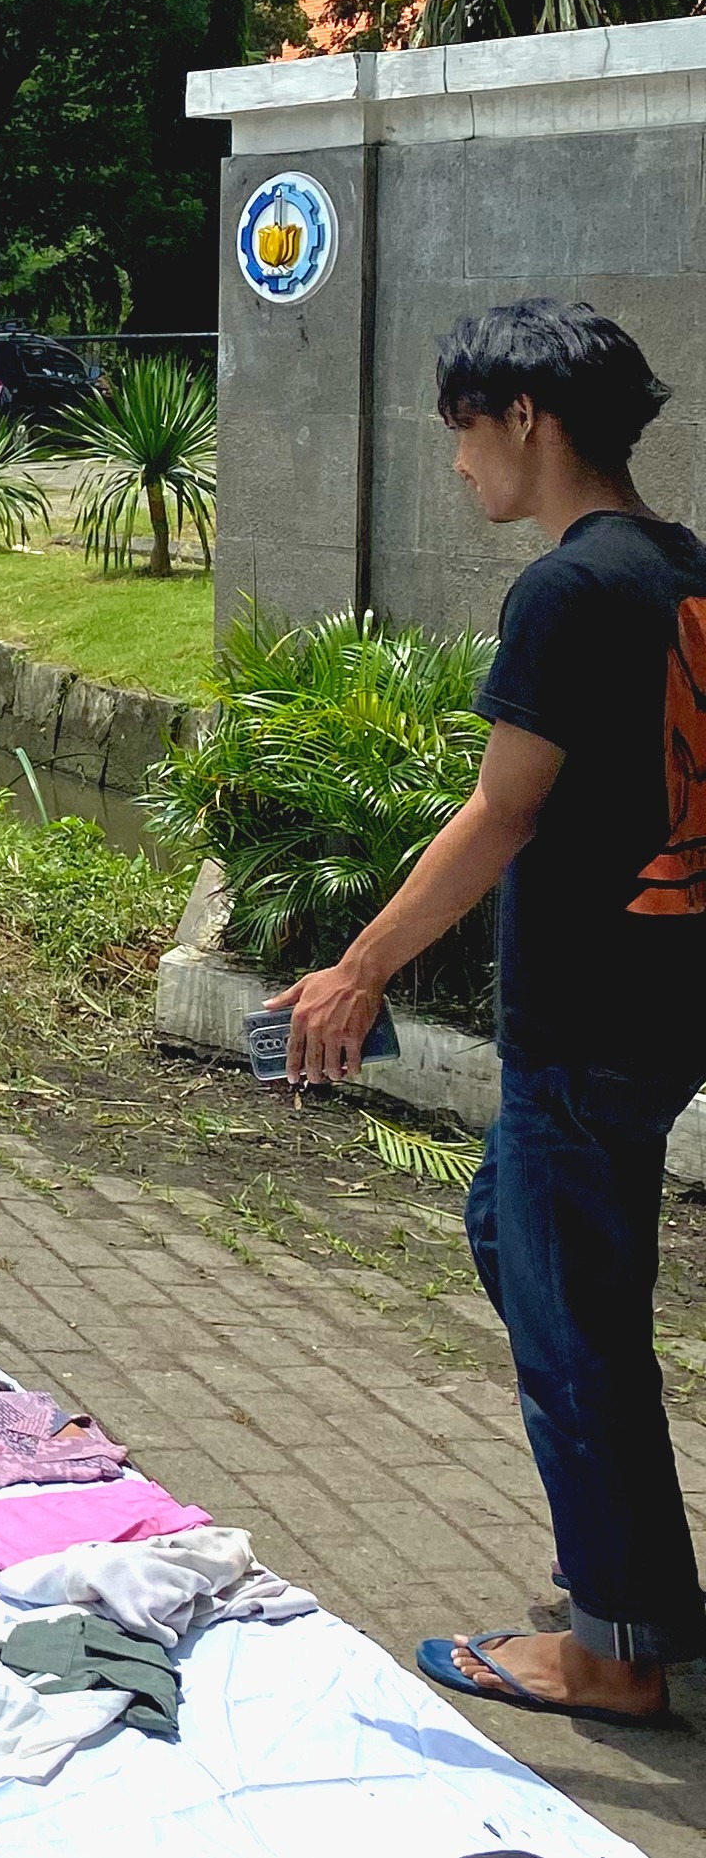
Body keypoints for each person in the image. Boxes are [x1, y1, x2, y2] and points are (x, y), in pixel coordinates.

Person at [267, 298, 703, 1724]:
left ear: (528, 417)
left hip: (589, 1018)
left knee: (579, 1322)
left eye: (464, 428)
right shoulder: (684, 570)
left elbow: (501, 814)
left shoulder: (569, 591)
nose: (457, 462)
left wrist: (359, 968)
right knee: (519, 1247)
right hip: (660, 1005)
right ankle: (629, 1581)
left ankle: (615, 1651)